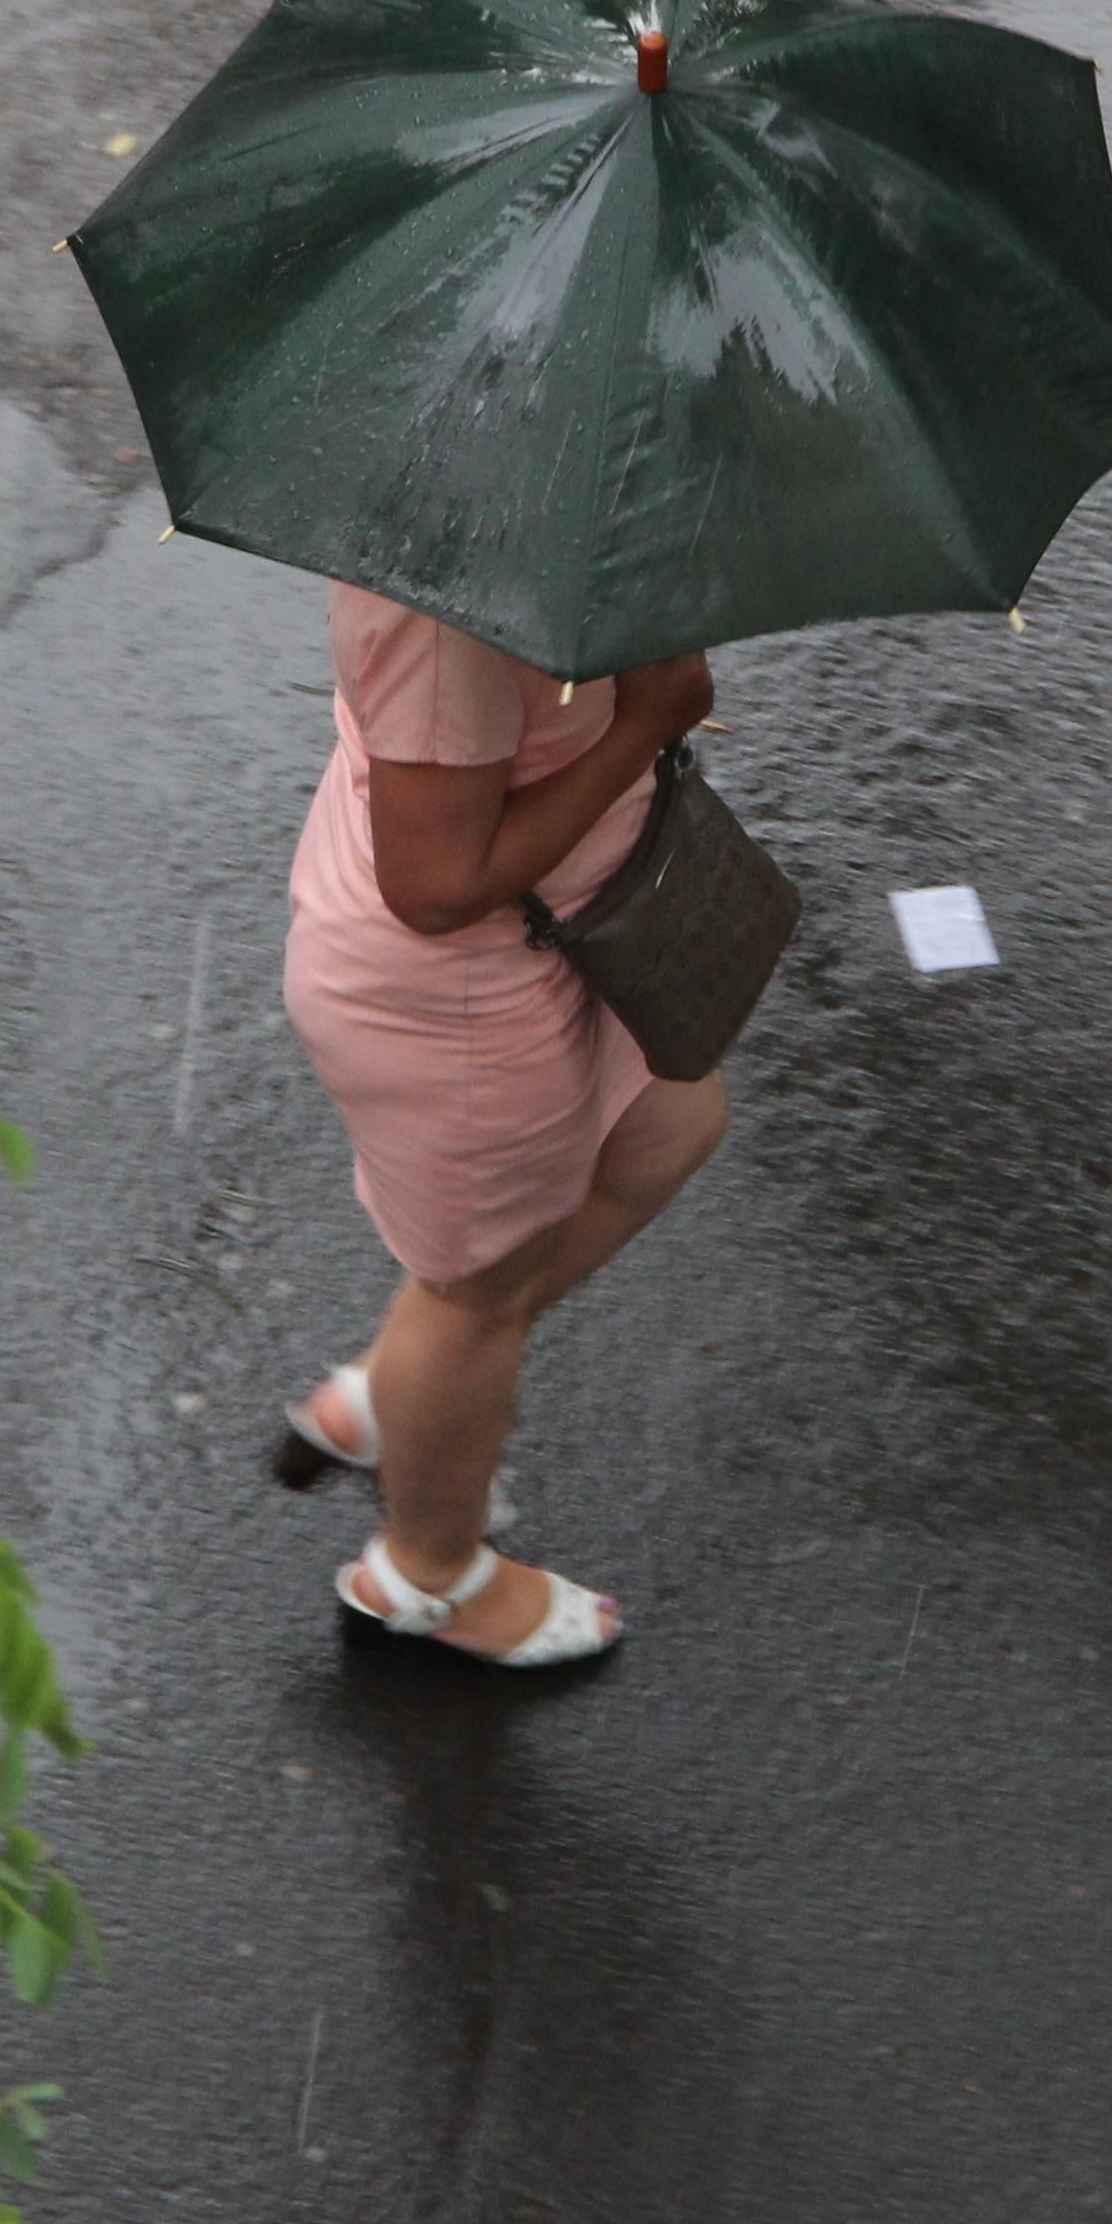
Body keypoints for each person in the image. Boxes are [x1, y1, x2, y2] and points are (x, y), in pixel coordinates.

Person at [272, 584, 730, 1665]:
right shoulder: (452, 597)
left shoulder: (569, 513)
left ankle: (404, 1396)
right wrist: (646, 723)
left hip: (574, 925)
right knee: (476, 1295)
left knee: (671, 1126)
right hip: (462, 1000)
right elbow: (436, 885)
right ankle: (427, 1572)